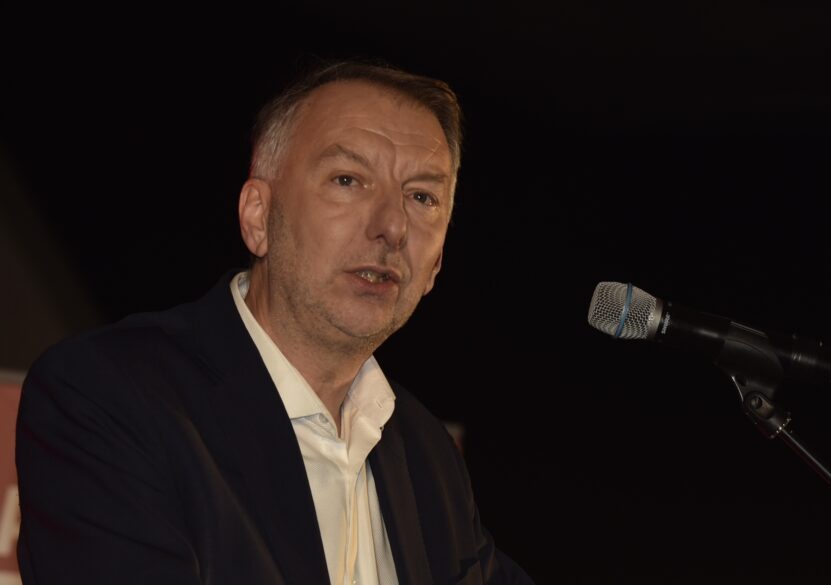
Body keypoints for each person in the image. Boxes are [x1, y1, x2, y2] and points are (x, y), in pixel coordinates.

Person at [16, 60, 532, 585]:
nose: (393, 226)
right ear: (258, 217)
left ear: (437, 261)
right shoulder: (109, 395)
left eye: (422, 197)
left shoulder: (427, 456)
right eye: (348, 180)